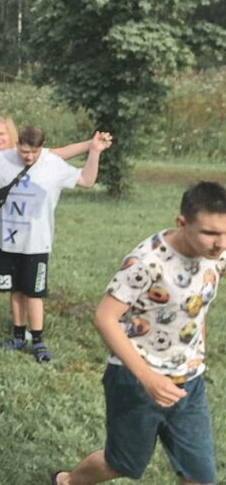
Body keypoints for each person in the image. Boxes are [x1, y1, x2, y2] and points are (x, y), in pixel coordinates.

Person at [52, 182, 226, 485]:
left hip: (189, 380)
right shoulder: (147, 262)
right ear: (182, 224)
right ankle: (67, 481)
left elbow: (196, 300)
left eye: (225, 232)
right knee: (122, 462)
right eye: (210, 233)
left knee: (200, 476)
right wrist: (148, 378)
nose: (220, 243)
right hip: (136, 379)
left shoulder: (217, 252)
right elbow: (104, 318)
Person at [0, 122, 112, 363]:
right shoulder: (0, 161)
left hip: (37, 243)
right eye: (24, 152)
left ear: (41, 148)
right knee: (15, 291)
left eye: (34, 153)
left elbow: (86, 180)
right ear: (17, 145)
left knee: (34, 292)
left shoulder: (51, 163)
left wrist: (95, 152)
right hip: (7, 243)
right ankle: (18, 335)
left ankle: (37, 340)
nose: (29, 157)